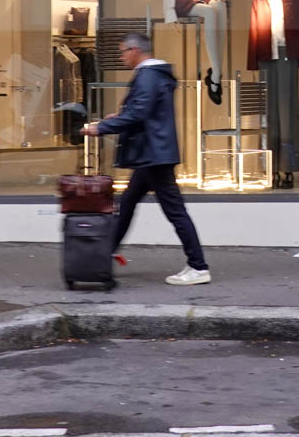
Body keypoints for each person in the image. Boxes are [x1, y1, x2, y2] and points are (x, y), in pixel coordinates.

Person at [82, 31, 211, 286]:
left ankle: (198, 266)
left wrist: (101, 128)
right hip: (152, 153)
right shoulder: (154, 75)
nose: (122, 58)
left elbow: (139, 113)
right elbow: (144, 111)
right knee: (127, 203)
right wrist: (118, 117)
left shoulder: (148, 76)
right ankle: (105, 255)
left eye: (123, 52)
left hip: (153, 155)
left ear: (135, 51)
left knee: (175, 212)